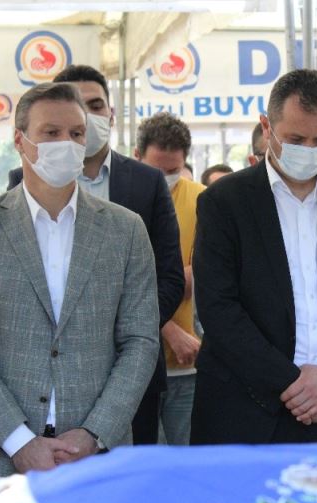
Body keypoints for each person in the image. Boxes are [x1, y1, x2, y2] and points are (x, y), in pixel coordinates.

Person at [0, 82, 159, 478]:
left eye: (76, 133)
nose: (67, 144)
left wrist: (94, 433)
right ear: (19, 141)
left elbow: (140, 342)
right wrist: (19, 441)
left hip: (96, 457)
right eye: (51, 133)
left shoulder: (126, 230)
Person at [191, 69, 317, 444]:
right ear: (267, 127)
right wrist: (293, 384)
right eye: (296, 139)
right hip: (247, 411)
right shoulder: (223, 202)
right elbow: (218, 308)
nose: (309, 149)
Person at [8, 65, 185, 445]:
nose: (85, 117)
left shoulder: (146, 181)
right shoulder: (19, 182)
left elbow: (168, 277)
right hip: (40, 383)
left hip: (131, 372)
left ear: (111, 112)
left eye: (94, 105)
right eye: (56, 127)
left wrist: (118, 335)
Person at [134, 112, 206, 445]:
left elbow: (206, 273)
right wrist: (167, 327)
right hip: (136, 364)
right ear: (137, 156)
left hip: (189, 363)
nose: (165, 179)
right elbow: (118, 285)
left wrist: (169, 280)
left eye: (173, 170)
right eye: (156, 171)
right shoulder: (124, 198)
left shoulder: (202, 199)